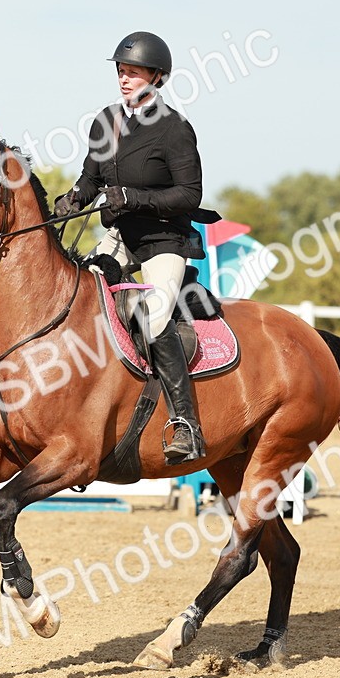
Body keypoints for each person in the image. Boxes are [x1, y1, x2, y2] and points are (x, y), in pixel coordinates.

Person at [53, 31, 208, 466]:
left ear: (156, 77)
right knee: (77, 302)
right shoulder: (106, 121)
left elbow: (189, 195)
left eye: (133, 72)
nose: (124, 79)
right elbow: (90, 178)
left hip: (163, 241)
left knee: (155, 317)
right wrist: (74, 199)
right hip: (121, 237)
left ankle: (185, 424)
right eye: (121, 71)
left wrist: (135, 198)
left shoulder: (174, 129)